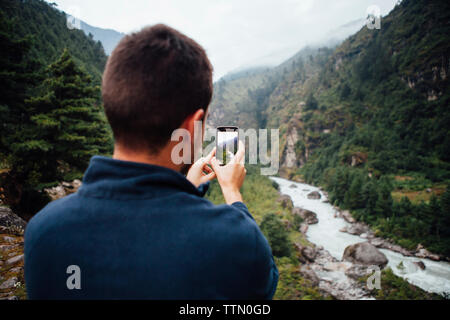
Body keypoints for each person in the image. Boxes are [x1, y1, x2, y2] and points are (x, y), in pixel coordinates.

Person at [24, 24, 278, 299]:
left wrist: (186, 186)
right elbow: (261, 287)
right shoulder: (234, 241)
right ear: (191, 128)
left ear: (113, 108)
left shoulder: (43, 231)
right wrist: (232, 192)